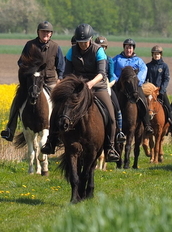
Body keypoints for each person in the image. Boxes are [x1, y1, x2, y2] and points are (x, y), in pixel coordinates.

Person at [41, 24, 120, 162]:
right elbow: (67, 73)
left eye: (85, 42)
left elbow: (102, 73)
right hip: (77, 87)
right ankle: (51, 142)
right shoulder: (72, 52)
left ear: (90, 39)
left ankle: (110, 147)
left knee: (111, 115)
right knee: (58, 108)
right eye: (79, 42)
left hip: (97, 87)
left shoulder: (99, 51)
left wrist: (90, 83)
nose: (82, 45)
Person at [0, 21, 65, 141]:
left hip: (49, 81)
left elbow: (61, 67)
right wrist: (29, 71)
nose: (45, 34)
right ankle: (10, 130)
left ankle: (59, 132)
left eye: (48, 32)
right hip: (32, 81)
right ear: (38, 32)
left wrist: (60, 79)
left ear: (51, 34)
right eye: (43, 31)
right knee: (17, 101)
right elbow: (21, 62)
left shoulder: (56, 47)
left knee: (61, 104)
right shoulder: (30, 45)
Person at [109, 38, 154, 135]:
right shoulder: (117, 59)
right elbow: (110, 69)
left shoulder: (138, 61)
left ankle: (147, 124)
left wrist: (137, 81)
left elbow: (143, 70)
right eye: (127, 48)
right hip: (118, 85)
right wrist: (115, 79)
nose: (128, 50)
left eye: (130, 48)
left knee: (142, 100)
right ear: (124, 48)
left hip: (134, 86)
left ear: (133, 49)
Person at [94, 36, 126, 143]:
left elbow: (112, 76)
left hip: (106, 86)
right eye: (99, 46)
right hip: (92, 85)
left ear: (106, 48)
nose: (101, 48)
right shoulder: (92, 58)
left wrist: (109, 85)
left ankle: (119, 132)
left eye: (103, 47)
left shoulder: (109, 60)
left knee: (117, 107)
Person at [145, 45, 172, 131]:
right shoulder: (148, 66)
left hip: (160, 91)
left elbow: (166, 79)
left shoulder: (164, 66)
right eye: (155, 54)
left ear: (161, 55)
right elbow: (145, 79)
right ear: (152, 55)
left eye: (158, 54)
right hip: (150, 92)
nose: (156, 56)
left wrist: (162, 90)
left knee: (168, 107)